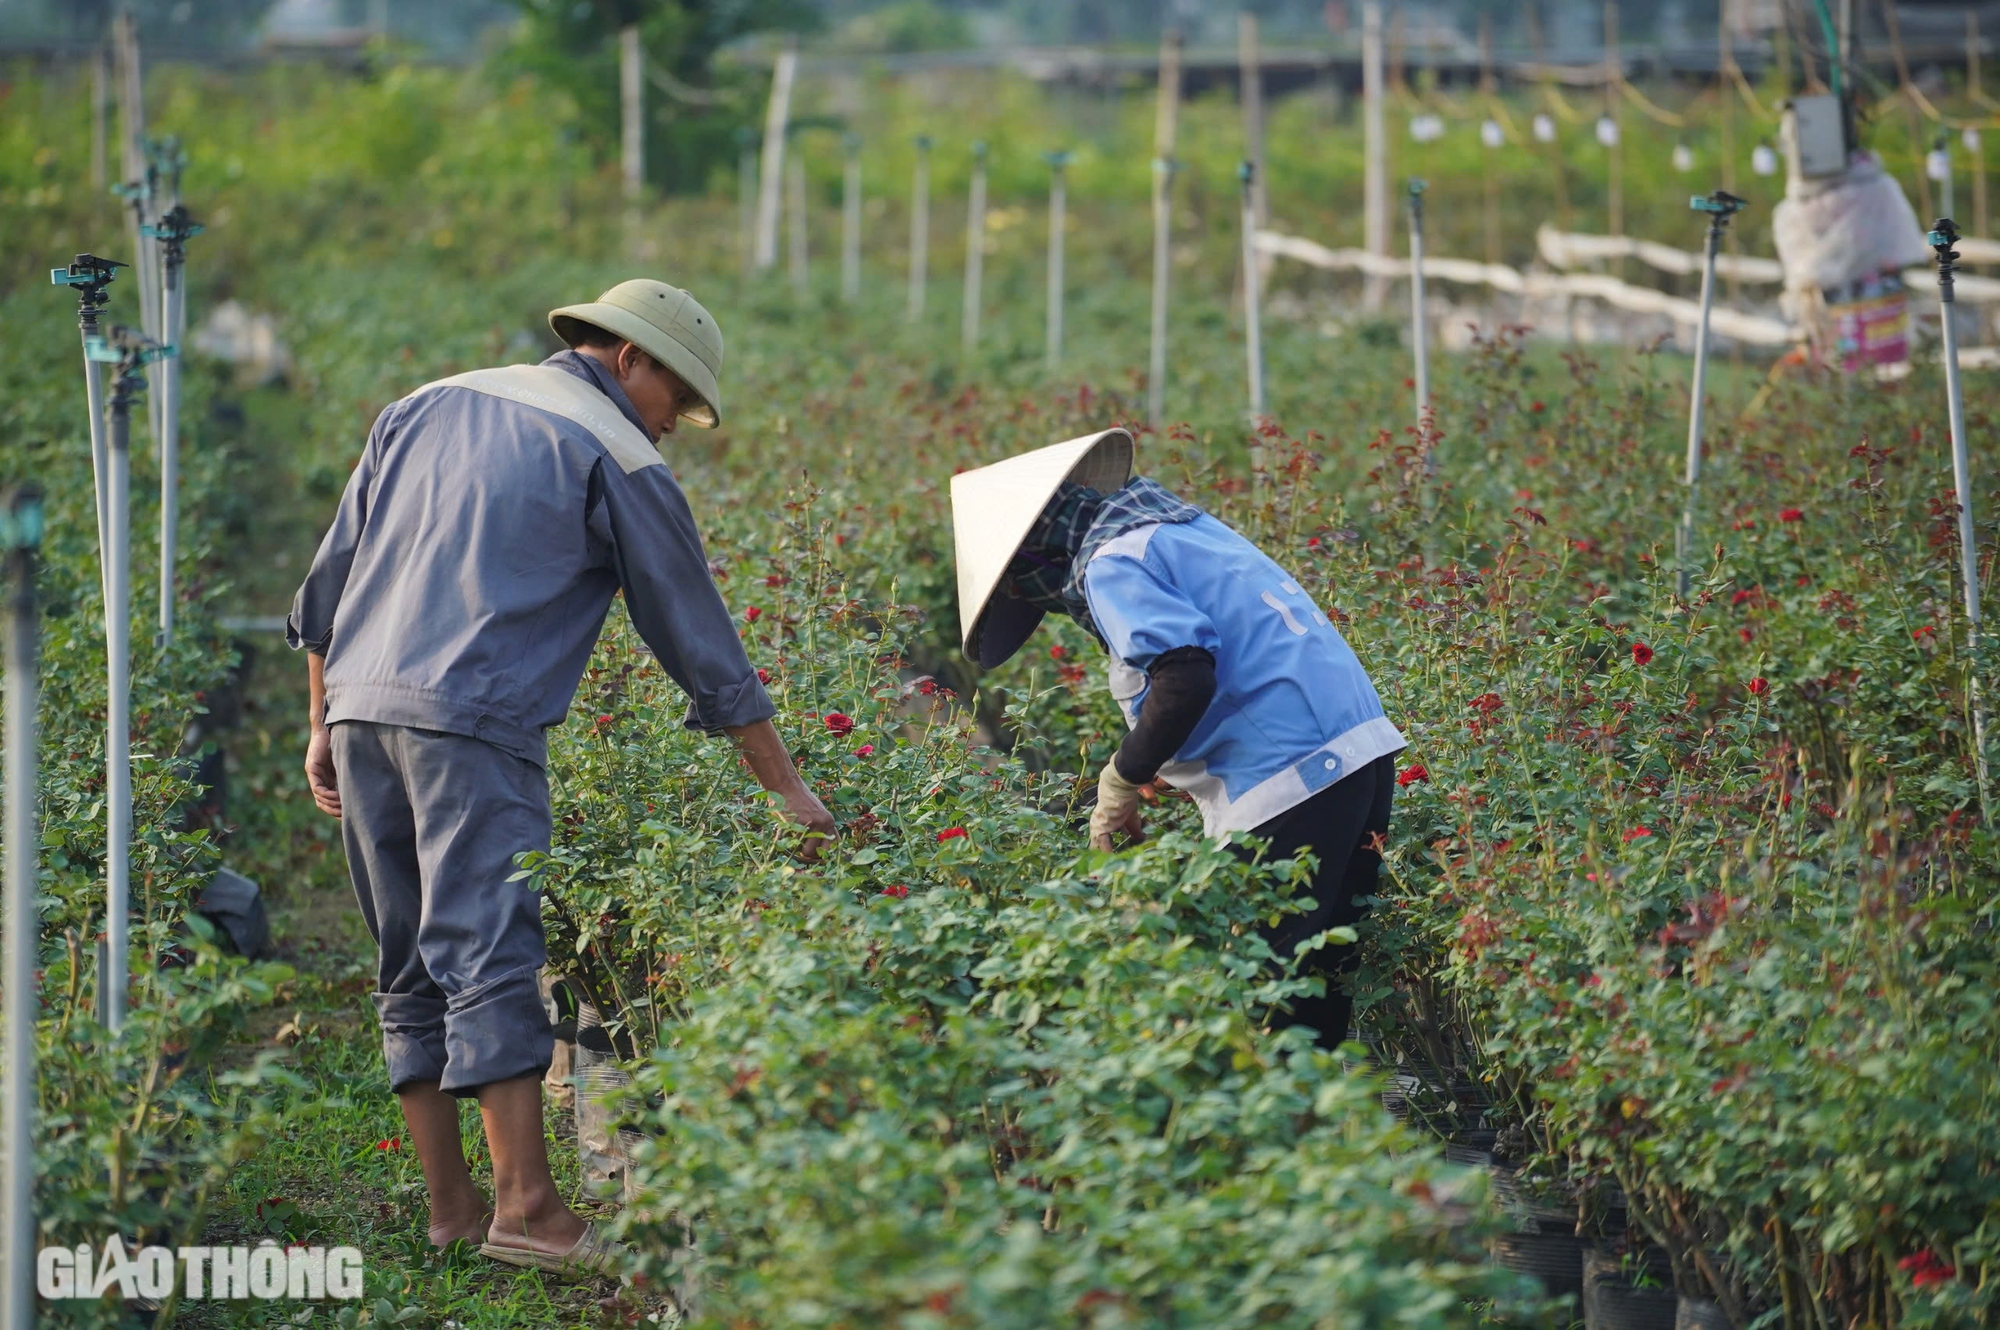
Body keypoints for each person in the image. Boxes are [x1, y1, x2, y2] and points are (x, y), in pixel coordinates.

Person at [287, 279, 835, 1278]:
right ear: (630, 358)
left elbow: (328, 584)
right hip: (472, 719)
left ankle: (451, 1214)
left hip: (363, 705)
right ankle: (530, 1211)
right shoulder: (615, 450)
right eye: (679, 398)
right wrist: (784, 788)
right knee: (491, 951)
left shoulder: (426, 402)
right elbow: (699, 639)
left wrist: (321, 717)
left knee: (407, 957)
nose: (675, 425)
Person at [949, 429, 1405, 1050]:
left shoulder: (1111, 562)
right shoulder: (1179, 528)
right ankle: (1323, 1136)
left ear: (1035, 560)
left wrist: (1122, 776)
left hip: (1291, 778)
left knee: (1256, 999)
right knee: (1313, 991)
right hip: (1358, 754)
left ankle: (1275, 1140)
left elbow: (1184, 676)